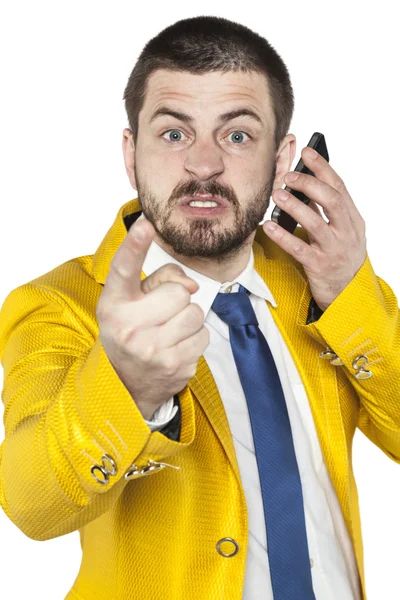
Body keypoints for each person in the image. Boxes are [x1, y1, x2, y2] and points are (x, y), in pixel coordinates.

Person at [0, 14, 399, 600]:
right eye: (174, 134)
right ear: (131, 153)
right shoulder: (59, 304)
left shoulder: (326, 279)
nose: (204, 165)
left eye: (237, 136)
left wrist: (348, 296)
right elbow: (31, 505)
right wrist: (128, 389)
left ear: (283, 157)